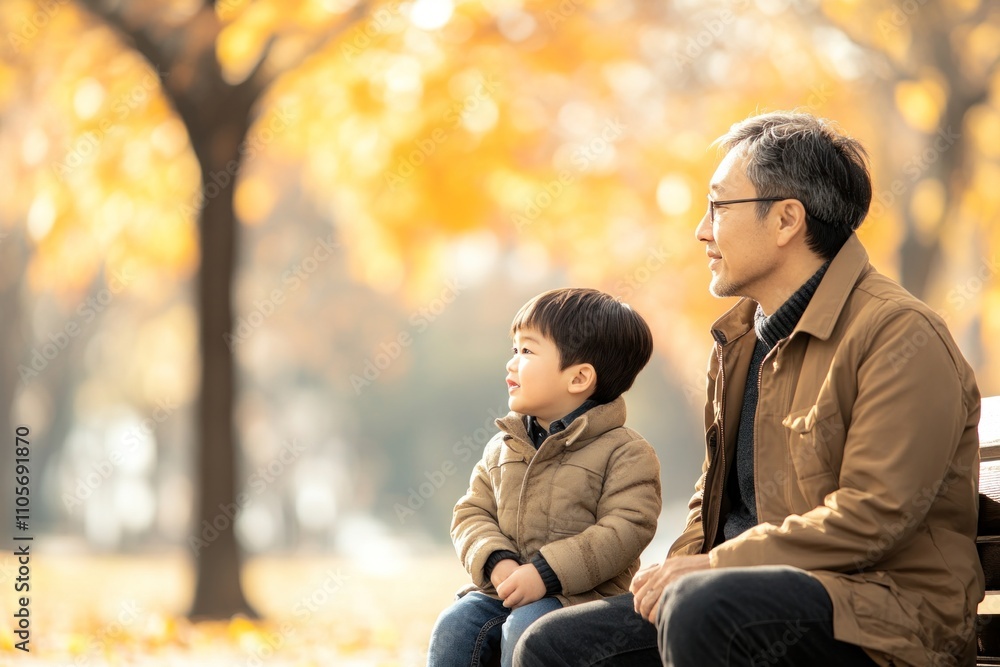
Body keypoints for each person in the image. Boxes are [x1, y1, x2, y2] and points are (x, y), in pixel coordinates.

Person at [515, 111, 984, 666]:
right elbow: (714, 497)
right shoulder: (742, 339)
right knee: (553, 646)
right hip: (730, 599)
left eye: (718, 206)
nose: (701, 230)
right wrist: (680, 565)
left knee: (698, 606)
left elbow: (874, 516)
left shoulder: (898, 335)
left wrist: (713, 568)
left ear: (787, 220)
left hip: (880, 619)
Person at [427, 287, 662, 667]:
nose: (511, 364)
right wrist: (496, 561)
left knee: (528, 629)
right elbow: (471, 513)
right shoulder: (503, 447)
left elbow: (626, 529)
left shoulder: (626, 452)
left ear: (579, 378)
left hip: (580, 599)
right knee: (457, 625)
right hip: (502, 590)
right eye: (513, 349)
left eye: (527, 351)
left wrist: (545, 574)